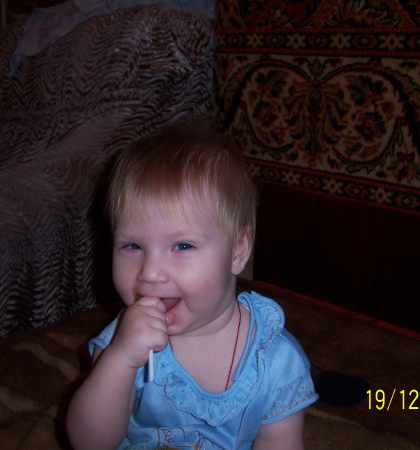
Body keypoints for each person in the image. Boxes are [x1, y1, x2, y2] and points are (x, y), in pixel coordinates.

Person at [66, 119, 318, 449]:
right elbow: (89, 443)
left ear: (238, 251)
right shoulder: (125, 340)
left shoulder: (274, 360)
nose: (150, 273)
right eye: (133, 246)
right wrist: (120, 359)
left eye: (182, 246)